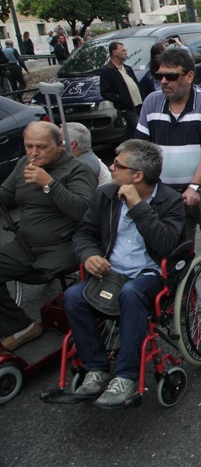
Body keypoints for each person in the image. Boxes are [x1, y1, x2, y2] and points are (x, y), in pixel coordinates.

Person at [64, 140, 185, 408]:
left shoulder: (171, 201)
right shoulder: (105, 194)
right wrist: (89, 255)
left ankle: (126, 376)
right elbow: (84, 233)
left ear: (137, 175)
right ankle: (96, 368)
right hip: (111, 270)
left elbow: (166, 244)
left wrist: (137, 206)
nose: (111, 168)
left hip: (149, 274)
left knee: (131, 294)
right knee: (73, 296)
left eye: (118, 165)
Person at [135, 48, 201, 287]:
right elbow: (140, 149)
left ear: (189, 76)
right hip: (167, 192)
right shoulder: (151, 102)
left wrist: (194, 187)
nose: (163, 81)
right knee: (174, 247)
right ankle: (183, 295)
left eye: (171, 76)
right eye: (159, 75)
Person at [0, 122, 97, 351]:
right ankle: (20, 326)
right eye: (29, 146)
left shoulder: (77, 169)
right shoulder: (24, 164)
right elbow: (6, 195)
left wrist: (50, 184)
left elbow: (83, 210)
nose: (34, 153)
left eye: (41, 147)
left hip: (62, 246)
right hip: (26, 244)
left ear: (59, 146)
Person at [100, 41, 146, 140]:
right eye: (123, 50)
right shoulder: (107, 71)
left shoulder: (127, 68)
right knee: (141, 131)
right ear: (114, 52)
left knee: (134, 133)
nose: (126, 52)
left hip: (139, 106)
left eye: (126, 50)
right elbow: (105, 92)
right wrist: (120, 98)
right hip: (128, 109)